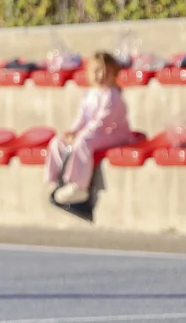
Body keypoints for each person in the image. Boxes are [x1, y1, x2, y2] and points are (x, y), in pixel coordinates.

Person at [46, 51, 134, 218]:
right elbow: (82, 117)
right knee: (58, 141)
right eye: (96, 71)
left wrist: (81, 135)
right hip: (95, 133)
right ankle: (57, 179)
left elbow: (102, 122)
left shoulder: (112, 96)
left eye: (105, 72)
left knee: (84, 142)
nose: (100, 76)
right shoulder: (90, 94)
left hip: (115, 135)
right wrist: (72, 131)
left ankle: (79, 186)